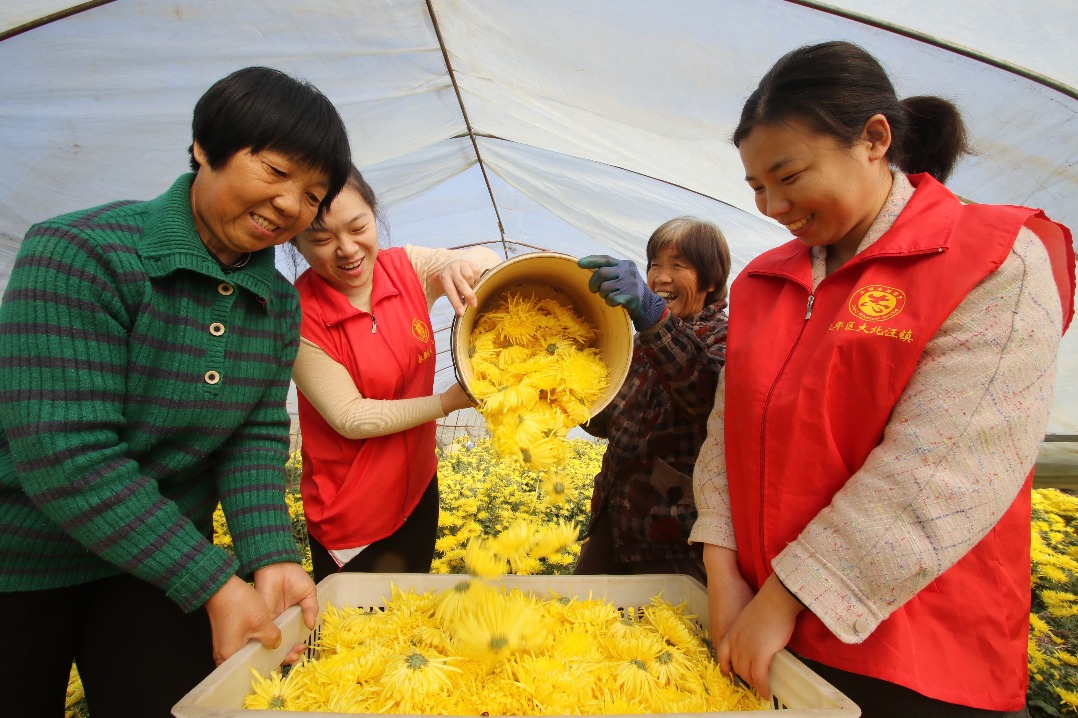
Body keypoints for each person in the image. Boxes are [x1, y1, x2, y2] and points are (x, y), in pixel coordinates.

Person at [689, 40, 1075, 717]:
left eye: (789, 175)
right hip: (760, 632)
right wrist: (722, 571)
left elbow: (942, 470)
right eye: (756, 186)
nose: (772, 204)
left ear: (874, 140)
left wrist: (785, 598)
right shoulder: (763, 280)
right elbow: (728, 430)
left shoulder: (995, 260)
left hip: (912, 657)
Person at [0, 67, 352, 718]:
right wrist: (215, 580)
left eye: (312, 194)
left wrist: (270, 555)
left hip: (154, 567)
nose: (289, 205)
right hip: (22, 558)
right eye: (275, 171)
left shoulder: (275, 302)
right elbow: (66, 452)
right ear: (203, 146)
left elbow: (250, 436)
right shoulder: (80, 253)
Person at [290, 165, 501, 582]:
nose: (347, 249)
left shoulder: (405, 267)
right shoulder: (299, 315)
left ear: (374, 214)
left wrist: (455, 265)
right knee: (358, 634)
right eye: (322, 239)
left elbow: (487, 257)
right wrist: (447, 402)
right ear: (295, 241)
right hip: (354, 514)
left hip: (417, 487)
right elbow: (351, 417)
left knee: (410, 613)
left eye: (357, 227)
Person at [572, 217, 731, 584]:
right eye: (655, 265)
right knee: (579, 618)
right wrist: (570, 385)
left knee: (666, 633)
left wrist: (651, 315)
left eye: (678, 265)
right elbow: (606, 422)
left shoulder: (725, 337)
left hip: (674, 538)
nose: (660, 277)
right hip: (615, 525)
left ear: (709, 280)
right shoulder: (639, 343)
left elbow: (703, 394)